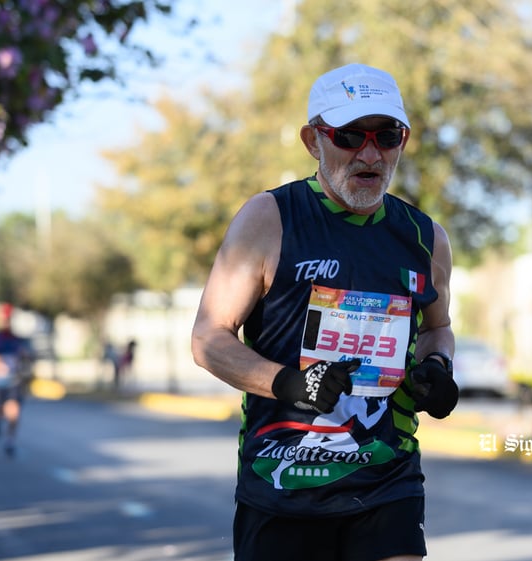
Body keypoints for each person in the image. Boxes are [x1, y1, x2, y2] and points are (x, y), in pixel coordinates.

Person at [191, 63, 458, 561]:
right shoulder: (270, 217)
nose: (370, 152)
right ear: (313, 140)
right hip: (283, 479)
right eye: (349, 135)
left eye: (387, 136)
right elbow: (209, 338)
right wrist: (291, 384)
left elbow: (437, 328)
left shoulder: (426, 238)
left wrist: (438, 369)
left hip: (387, 477)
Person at [0, 303, 34, 457]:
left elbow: (28, 356)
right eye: (3, 319)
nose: (6, 322)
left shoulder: (19, 340)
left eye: (8, 319)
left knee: (14, 411)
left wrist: (25, 358)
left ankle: (10, 440)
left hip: (14, 381)